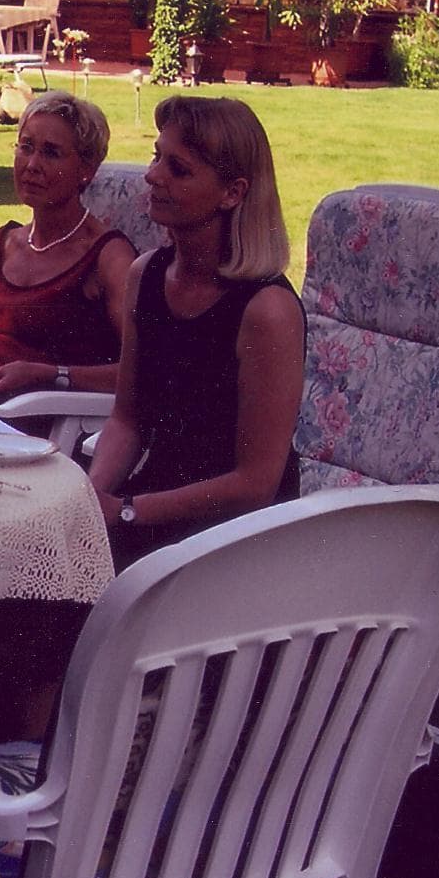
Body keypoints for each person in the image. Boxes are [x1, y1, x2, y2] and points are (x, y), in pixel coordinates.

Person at [89, 96, 305, 571]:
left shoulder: (266, 311)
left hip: (237, 541)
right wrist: (90, 500)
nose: (152, 176)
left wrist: (126, 512)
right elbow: (128, 420)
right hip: (153, 508)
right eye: (156, 156)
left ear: (232, 193)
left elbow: (255, 483)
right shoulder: (146, 277)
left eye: (178, 169)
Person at [0, 91, 135, 403]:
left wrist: (51, 374)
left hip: (36, 416)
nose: (32, 165)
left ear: (87, 170)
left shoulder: (107, 256)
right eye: (26, 147)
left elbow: (144, 370)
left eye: (51, 153)